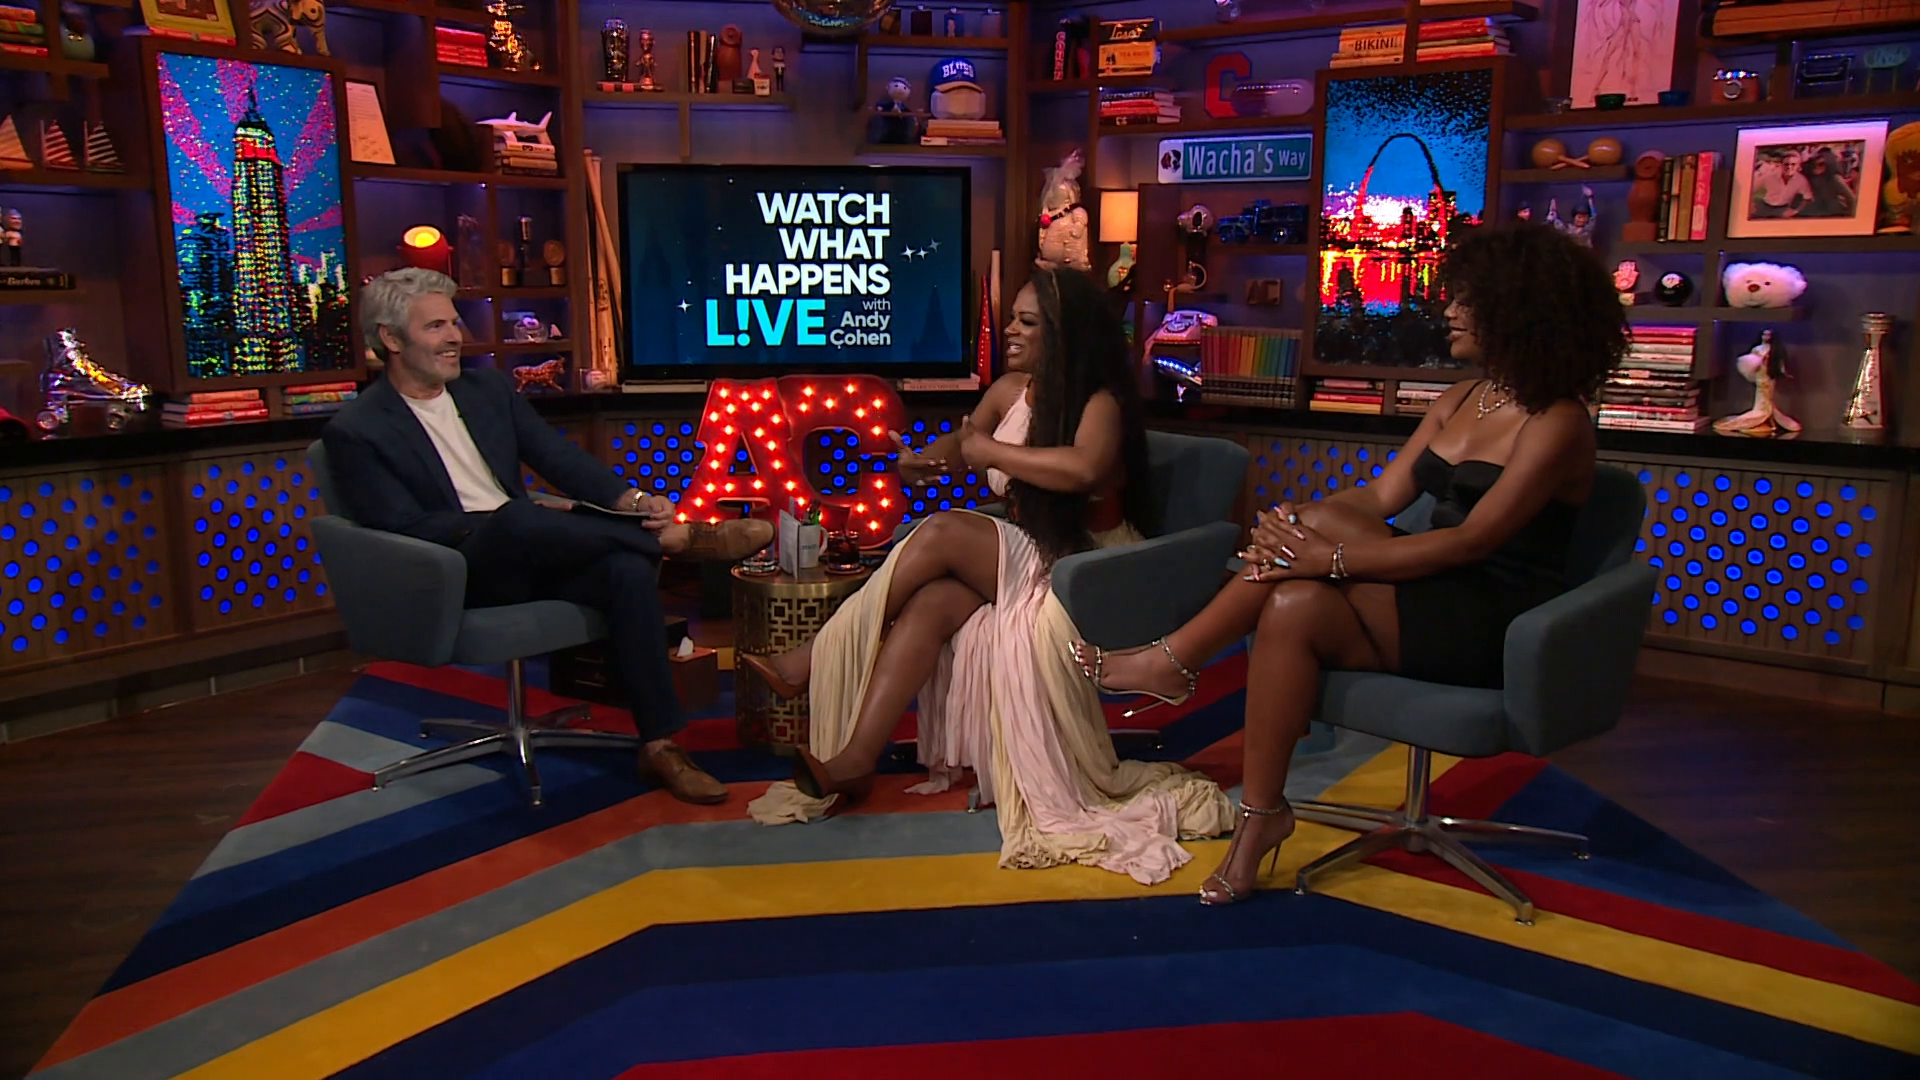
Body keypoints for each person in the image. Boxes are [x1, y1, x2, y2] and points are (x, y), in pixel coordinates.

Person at [1073, 221, 1628, 903]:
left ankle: (1175, 660)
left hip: (1492, 617)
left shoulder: (1558, 422)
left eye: (1467, 299)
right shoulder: (1461, 398)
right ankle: (1261, 817)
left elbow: (1472, 542)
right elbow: (1380, 497)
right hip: (1425, 588)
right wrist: (1296, 523)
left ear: (1518, 310)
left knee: (1316, 549)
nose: (1448, 309)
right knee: (1292, 601)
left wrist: (1328, 554)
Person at [743, 266, 1231, 884]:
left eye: (1027, 322)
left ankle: (816, 654)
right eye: (1013, 319)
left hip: (1087, 565)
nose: (1010, 330)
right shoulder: (1009, 391)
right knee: (932, 602)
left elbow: (1082, 470)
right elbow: (963, 443)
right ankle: (855, 759)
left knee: (943, 532)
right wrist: (924, 461)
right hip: (1032, 548)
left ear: (1064, 332)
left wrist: (992, 454)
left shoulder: (1099, 402)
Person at [322, 269, 773, 805]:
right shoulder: (357, 429)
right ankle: (674, 543)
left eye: (455, 322)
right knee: (518, 515)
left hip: (530, 550)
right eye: (435, 326)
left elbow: (556, 458)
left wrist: (631, 501)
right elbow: (401, 526)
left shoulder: (487, 390)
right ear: (391, 339)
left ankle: (660, 746)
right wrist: (499, 524)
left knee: (625, 571)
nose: (455, 337)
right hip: (453, 570)